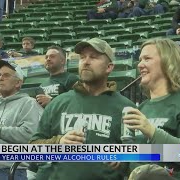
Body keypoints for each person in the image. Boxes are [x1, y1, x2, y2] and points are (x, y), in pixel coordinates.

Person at [29, 38, 136, 180]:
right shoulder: (59, 102)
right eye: (82, 57)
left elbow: (139, 157)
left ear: (109, 67)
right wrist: (58, 143)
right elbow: (33, 148)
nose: (86, 61)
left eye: (93, 57)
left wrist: (123, 159)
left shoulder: (126, 108)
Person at [123, 38, 180, 180]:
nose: (140, 65)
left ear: (168, 63)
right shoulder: (142, 108)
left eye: (147, 58)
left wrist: (153, 132)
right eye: (140, 59)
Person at [0, 60, 43, 180]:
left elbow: (30, 136)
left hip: (9, 172)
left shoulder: (28, 103)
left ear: (18, 83)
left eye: (6, 75)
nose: (0, 78)